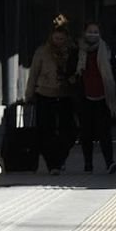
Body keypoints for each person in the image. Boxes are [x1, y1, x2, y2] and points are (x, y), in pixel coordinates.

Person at [24, 15, 78, 175]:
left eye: (62, 38)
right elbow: (33, 74)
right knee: (45, 131)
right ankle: (52, 164)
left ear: (66, 38)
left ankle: (61, 157)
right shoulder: (42, 52)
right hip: (44, 94)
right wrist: (29, 94)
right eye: (56, 38)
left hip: (66, 95)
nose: (59, 41)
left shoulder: (73, 52)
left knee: (69, 131)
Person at [74, 22, 116, 174]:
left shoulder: (106, 50)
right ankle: (88, 163)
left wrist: (115, 93)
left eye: (96, 31)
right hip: (84, 97)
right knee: (86, 133)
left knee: (104, 132)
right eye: (90, 31)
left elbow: (115, 72)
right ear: (84, 33)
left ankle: (110, 162)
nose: (93, 34)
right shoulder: (78, 52)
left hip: (103, 96)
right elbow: (72, 72)